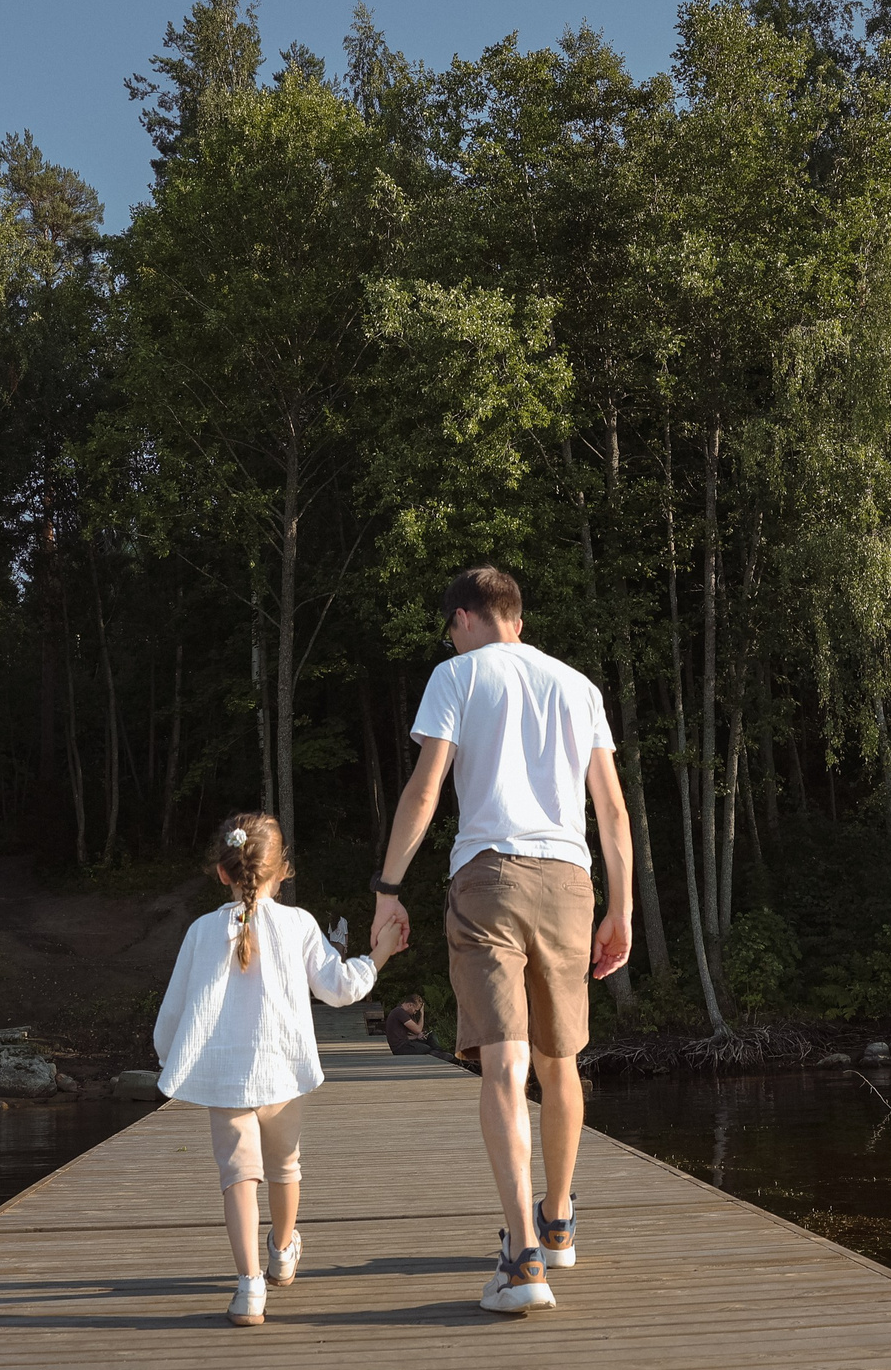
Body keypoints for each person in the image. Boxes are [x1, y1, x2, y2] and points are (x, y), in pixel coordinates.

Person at [372, 566, 632, 1315]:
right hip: (571, 880)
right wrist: (621, 908)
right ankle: (557, 1223)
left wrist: (388, 889)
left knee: (503, 1059)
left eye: (449, 626)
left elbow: (426, 789)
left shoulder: (457, 675)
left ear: (464, 617)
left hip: (489, 876)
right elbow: (611, 813)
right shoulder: (579, 685)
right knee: (561, 1058)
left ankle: (522, 1262)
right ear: (515, 614)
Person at [153, 812, 403, 1327]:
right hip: (284, 1072)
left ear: (223, 873)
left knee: (239, 1176)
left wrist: (169, 1057)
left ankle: (249, 1289)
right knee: (285, 1166)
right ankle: (284, 1251)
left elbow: (175, 1011)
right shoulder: (299, 924)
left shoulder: (201, 932)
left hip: (226, 1077)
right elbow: (339, 989)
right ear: (281, 870)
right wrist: (378, 956)